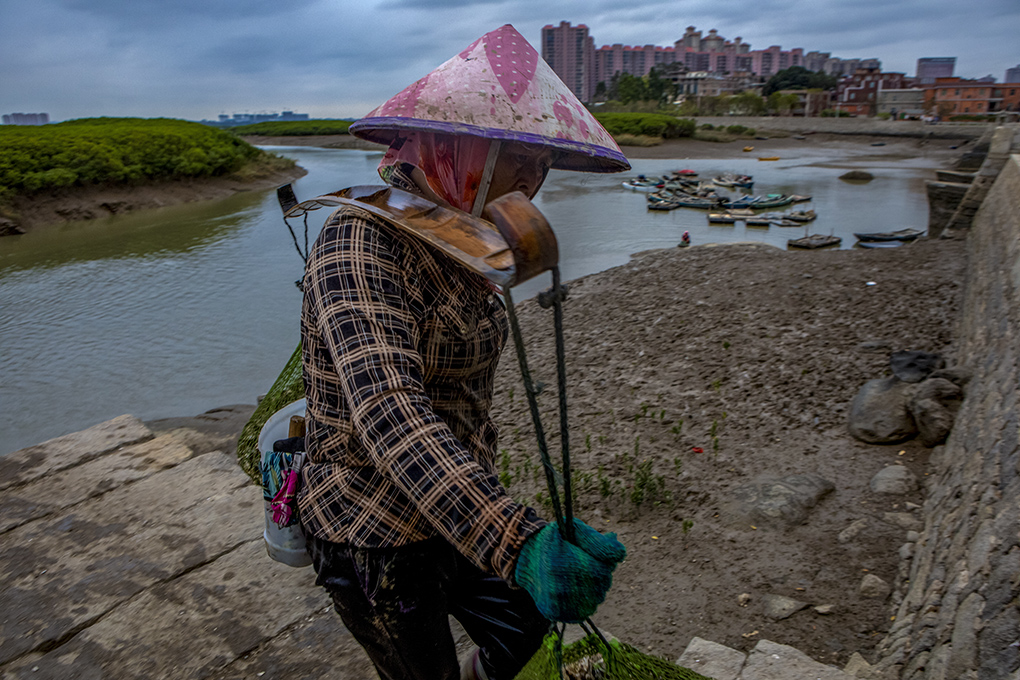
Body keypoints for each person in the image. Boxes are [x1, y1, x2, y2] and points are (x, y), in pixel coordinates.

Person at [297, 25, 630, 680]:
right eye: (519, 155)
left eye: (545, 161)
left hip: (458, 498)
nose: (536, 177)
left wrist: (506, 532)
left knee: (527, 623)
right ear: (455, 147)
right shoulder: (359, 243)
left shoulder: (464, 235)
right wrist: (518, 544)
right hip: (373, 525)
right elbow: (391, 412)